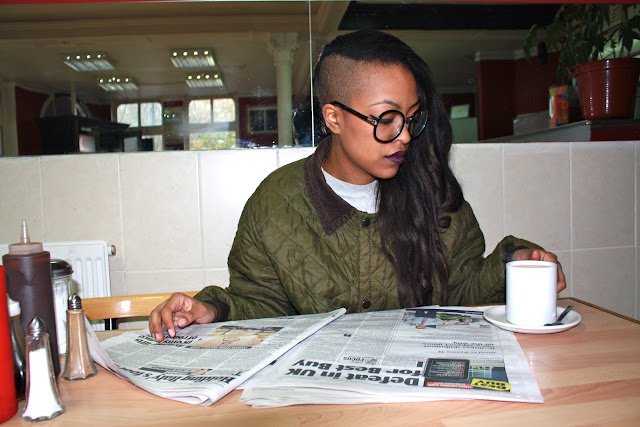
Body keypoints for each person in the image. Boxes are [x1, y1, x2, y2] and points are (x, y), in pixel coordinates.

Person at [149, 29, 566, 342]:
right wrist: (212, 309)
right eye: (386, 119)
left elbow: (461, 291)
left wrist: (515, 262)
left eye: (411, 117)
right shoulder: (275, 202)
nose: (405, 136)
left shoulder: (432, 190)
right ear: (333, 117)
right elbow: (263, 304)